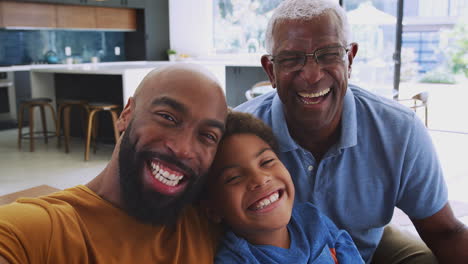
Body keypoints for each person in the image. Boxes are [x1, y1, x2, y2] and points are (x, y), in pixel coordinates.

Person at [235, 0, 468, 263]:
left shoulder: (399, 130)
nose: (312, 75)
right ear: (271, 70)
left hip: (363, 243)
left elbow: (446, 232)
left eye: (329, 54)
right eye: (291, 59)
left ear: (350, 59)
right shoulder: (239, 136)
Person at [0, 64, 228, 264]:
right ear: (126, 114)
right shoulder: (40, 232)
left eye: (208, 136)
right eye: (167, 117)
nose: (183, 149)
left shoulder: (208, 224)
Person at [204, 111, 364, 263]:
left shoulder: (312, 219)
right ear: (213, 209)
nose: (260, 179)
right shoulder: (235, 259)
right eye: (234, 177)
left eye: (266, 162)